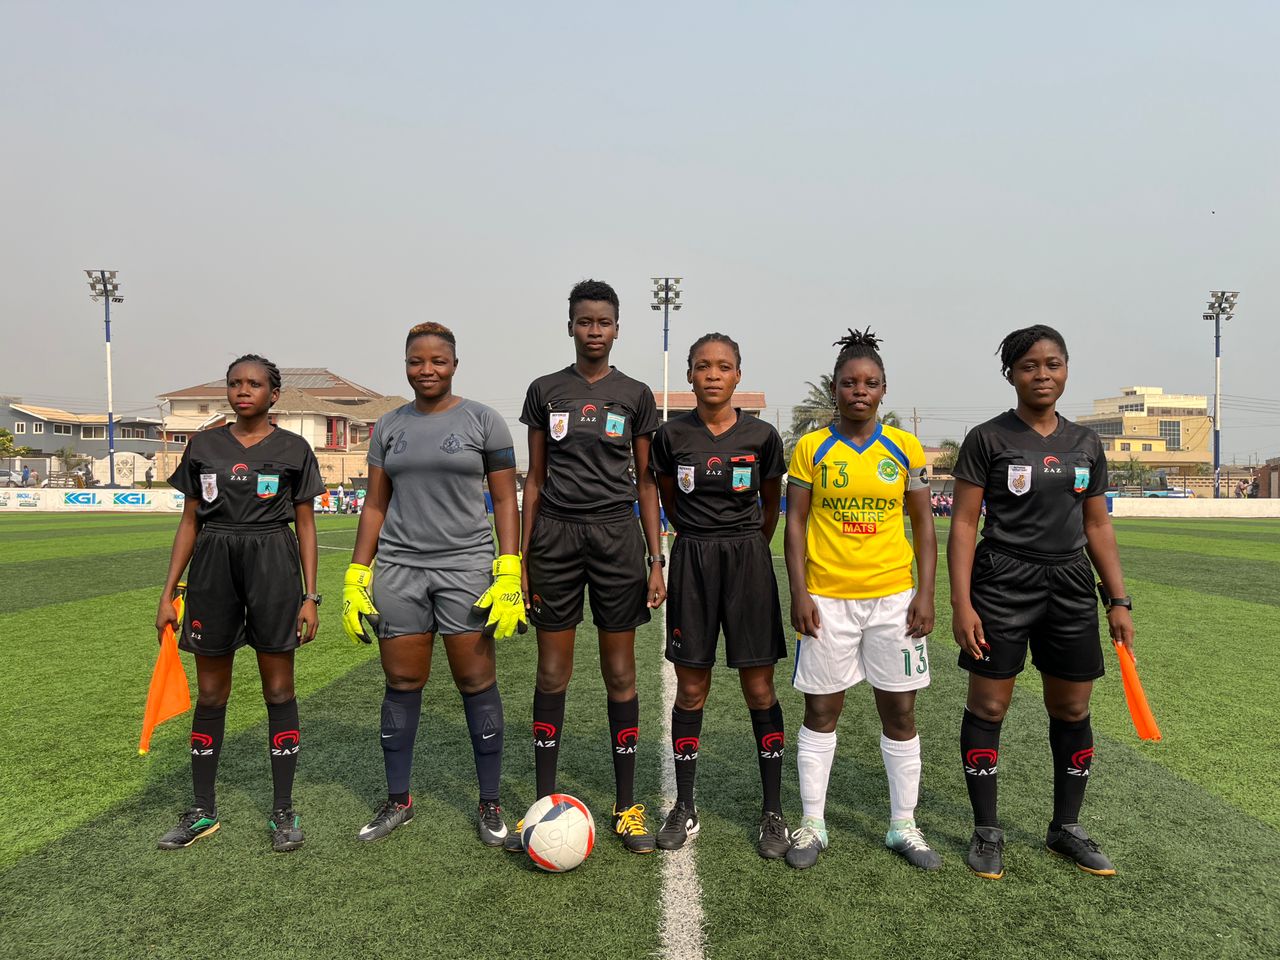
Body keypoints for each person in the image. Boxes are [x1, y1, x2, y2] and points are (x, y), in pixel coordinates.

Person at [948, 324, 1134, 880]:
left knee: (1073, 709)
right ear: (1011, 375)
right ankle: (987, 830)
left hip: (1072, 585)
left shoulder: (1086, 443)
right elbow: (962, 523)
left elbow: (1097, 523)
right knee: (989, 708)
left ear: (1067, 368)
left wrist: (1117, 599)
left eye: (1053, 364)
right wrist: (962, 603)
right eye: (1029, 366)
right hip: (1002, 582)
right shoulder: (987, 438)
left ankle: (1066, 829)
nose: (1042, 374)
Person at [342, 322, 524, 847]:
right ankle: (399, 799)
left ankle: (489, 800)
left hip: (465, 567)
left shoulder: (483, 421)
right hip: (399, 570)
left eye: (438, 361)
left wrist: (507, 565)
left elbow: (506, 500)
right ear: (405, 365)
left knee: (475, 681)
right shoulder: (388, 426)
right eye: (417, 362)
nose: (427, 370)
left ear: (454, 364)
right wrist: (359, 572)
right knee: (401, 683)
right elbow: (375, 503)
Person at [508, 279, 666, 854]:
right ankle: (543, 803)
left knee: (619, 671)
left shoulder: (636, 394)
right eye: (584, 322)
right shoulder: (545, 391)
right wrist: (522, 561)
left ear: (618, 328)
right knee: (553, 672)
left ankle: (626, 807)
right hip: (554, 536)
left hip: (617, 539)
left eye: (603, 322)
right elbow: (534, 477)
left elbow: (646, 481)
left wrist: (655, 558)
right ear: (570, 326)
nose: (593, 331)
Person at [783, 328, 939, 871]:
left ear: (884, 390)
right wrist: (799, 591)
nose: (860, 391)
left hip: (894, 599)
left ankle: (903, 825)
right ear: (834, 388)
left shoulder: (905, 448)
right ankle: (812, 824)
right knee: (822, 709)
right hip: (827, 600)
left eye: (870, 383)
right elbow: (796, 522)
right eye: (850, 382)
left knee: (900, 710)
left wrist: (926, 594)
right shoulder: (811, 448)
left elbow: (923, 525)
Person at [155, 354, 324, 852]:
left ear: (274, 395)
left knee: (278, 689)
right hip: (213, 562)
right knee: (211, 694)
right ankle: (203, 811)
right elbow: (189, 521)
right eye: (235, 383)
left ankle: (282, 812)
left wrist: (310, 596)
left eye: (253, 384)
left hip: (273, 561)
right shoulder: (204, 445)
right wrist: (168, 592)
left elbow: (306, 524)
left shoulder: (294, 449)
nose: (242, 390)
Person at [649, 333, 791, 858]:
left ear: (738, 375)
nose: (713, 374)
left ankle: (772, 812)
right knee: (692, 689)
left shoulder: (763, 435)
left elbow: (770, 504)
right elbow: (665, 494)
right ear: (689, 376)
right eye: (703, 366)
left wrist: (748, 546)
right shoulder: (671, 436)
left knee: (759, 689)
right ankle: (684, 807)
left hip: (747, 560)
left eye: (723, 366)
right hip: (693, 559)